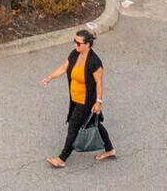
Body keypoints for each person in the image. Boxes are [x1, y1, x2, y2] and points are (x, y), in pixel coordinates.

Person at [41, 28, 113, 167]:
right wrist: (50, 77)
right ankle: (110, 150)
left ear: (87, 44)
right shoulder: (75, 54)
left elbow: (99, 83)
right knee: (94, 124)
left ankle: (62, 159)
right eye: (74, 41)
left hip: (87, 101)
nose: (76, 45)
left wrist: (98, 102)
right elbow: (64, 67)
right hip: (75, 98)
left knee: (73, 126)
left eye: (78, 43)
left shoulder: (94, 62)